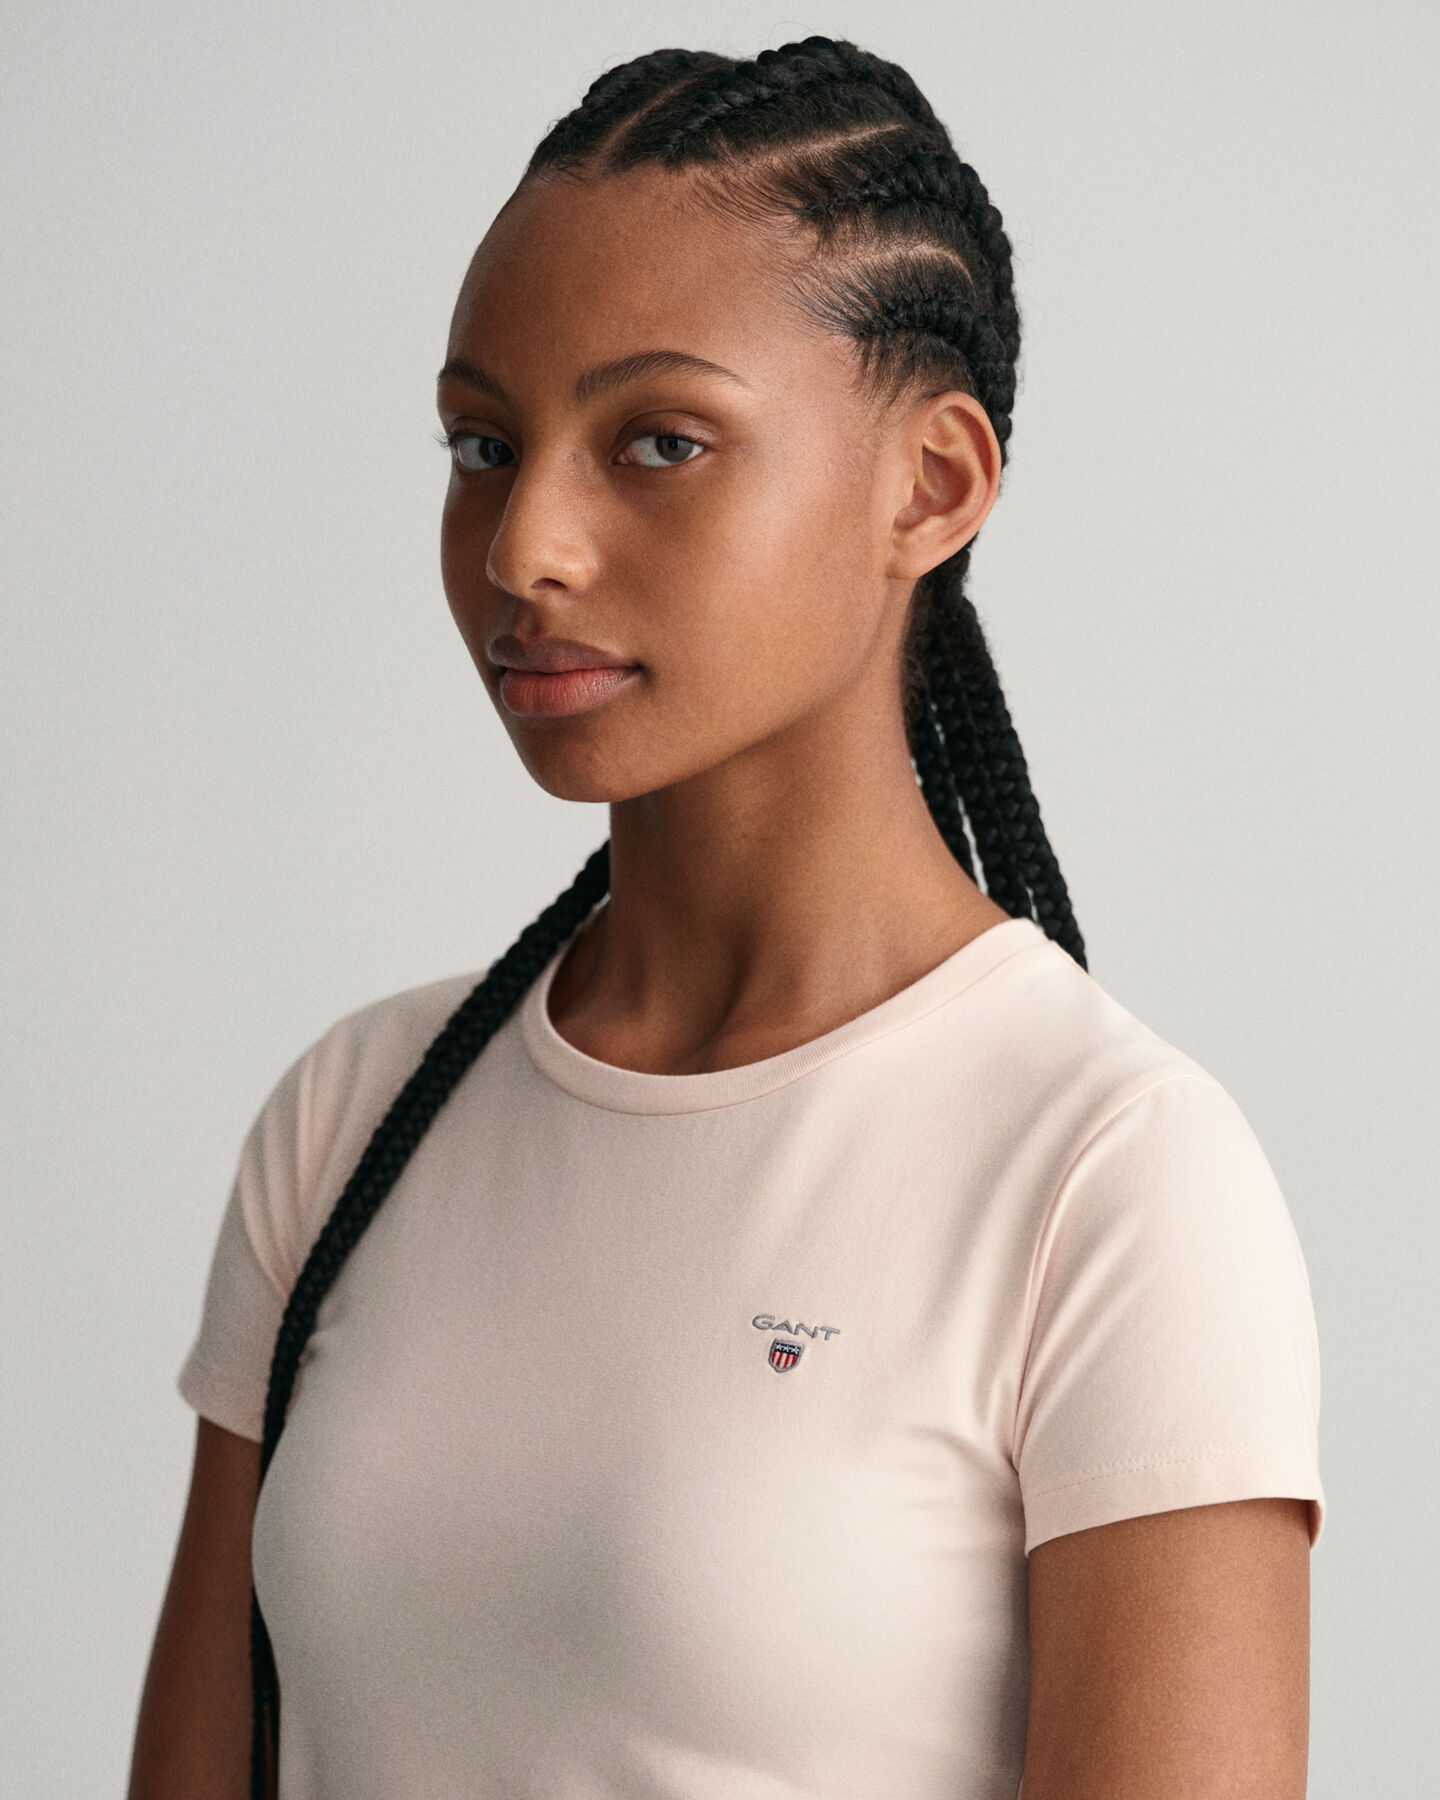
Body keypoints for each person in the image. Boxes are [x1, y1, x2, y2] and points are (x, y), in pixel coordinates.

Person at [128, 35, 1324, 1800]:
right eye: (483, 443)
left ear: (932, 485)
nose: (524, 545)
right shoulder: (352, 1122)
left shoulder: (1109, 1179)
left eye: (659, 442)